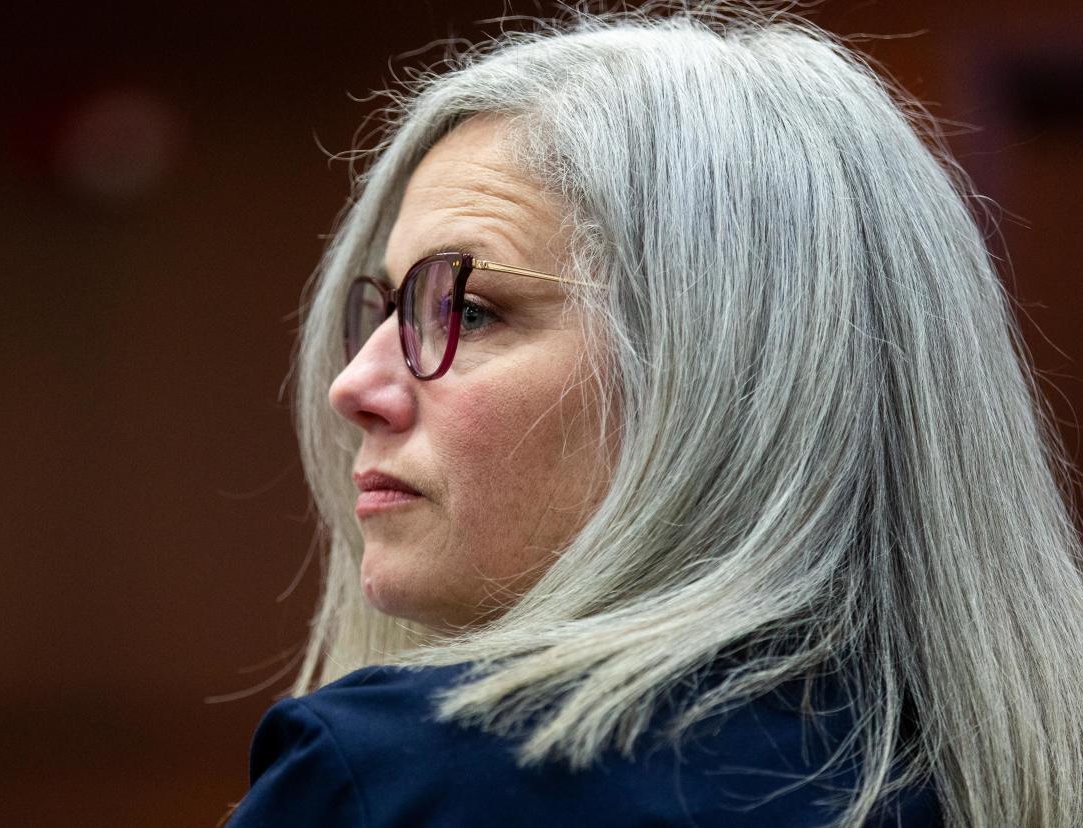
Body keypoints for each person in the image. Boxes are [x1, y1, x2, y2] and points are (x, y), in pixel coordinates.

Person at [224, 4, 1083, 826]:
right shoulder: (995, 770)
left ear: (720, 373)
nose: (354, 386)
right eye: (386, 310)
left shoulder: (402, 779)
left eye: (471, 310)